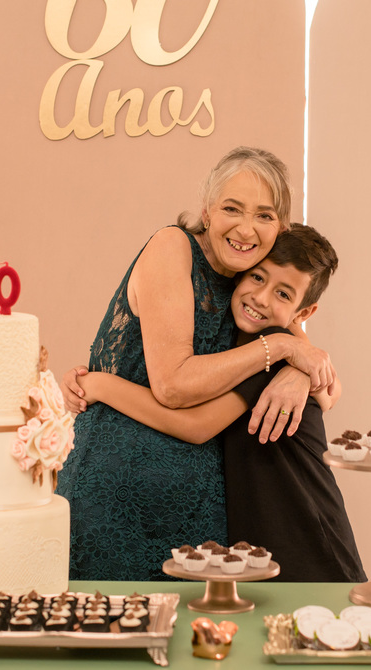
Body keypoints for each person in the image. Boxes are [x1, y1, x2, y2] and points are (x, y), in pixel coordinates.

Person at [57, 147, 338, 581]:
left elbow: (328, 386)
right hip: (116, 497)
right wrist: (280, 352)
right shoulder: (174, 246)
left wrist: (298, 371)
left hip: (202, 510)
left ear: (279, 228)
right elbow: (173, 385)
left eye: (263, 215)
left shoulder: (251, 282)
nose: (246, 228)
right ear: (207, 212)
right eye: (231, 208)